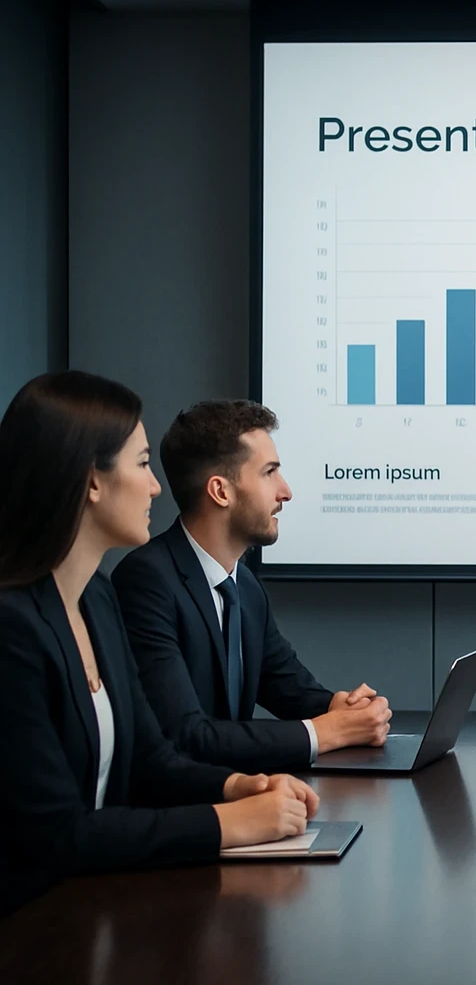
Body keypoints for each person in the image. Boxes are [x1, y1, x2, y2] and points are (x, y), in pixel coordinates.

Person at [0, 372, 318, 916]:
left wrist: (239, 785)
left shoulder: (96, 600)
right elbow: (55, 837)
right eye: (143, 465)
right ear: (91, 481)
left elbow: (154, 762)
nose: (155, 487)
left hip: (91, 908)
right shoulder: (11, 629)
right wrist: (227, 822)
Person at [111, 400, 390, 772]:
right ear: (221, 492)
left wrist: (342, 708)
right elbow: (186, 735)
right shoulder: (146, 581)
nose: (285, 492)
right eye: (269, 473)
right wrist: (327, 732)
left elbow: (289, 688)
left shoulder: (243, 585)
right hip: (181, 814)